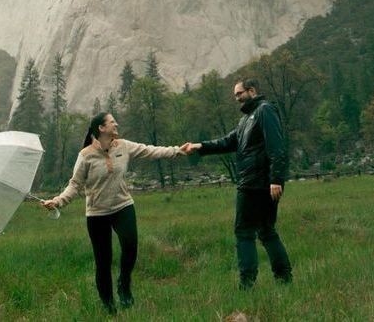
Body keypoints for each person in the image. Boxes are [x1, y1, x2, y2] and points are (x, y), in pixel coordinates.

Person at [41, 112, 186, 314]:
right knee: (103, 261)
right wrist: (57, 201)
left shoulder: (123, 146)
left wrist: (177, 150)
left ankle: (124, 284)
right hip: (97, 214)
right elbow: (75, 185)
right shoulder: (85, 155)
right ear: (101, 128)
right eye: (111, 122)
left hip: (123, 207)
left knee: (130, 248)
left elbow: (149, 151)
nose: (116, 124)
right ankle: (109, 307)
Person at [182, 78, 292, 288]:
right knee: (267, 231)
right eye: (235, 95)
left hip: (256, 183)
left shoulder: (264, 110)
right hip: (257, 182)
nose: (237, 98)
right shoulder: (246, 120)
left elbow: (277, 146)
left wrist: (276, 179)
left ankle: (247, 283)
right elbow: (229, 141)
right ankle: (284, 280)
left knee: (244, 232)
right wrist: (200, 146)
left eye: (239, 94)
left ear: (252, 90)